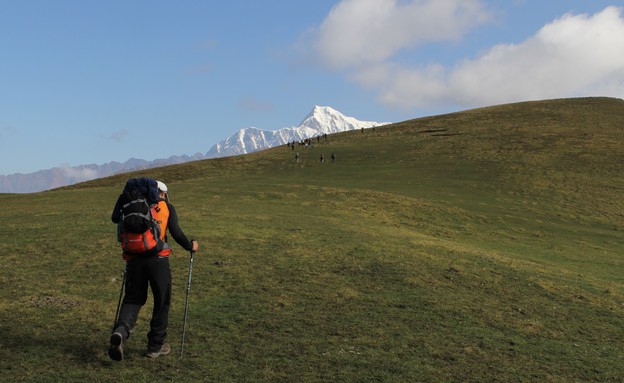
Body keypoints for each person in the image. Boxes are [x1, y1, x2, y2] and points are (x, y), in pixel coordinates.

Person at [108, 180, 199, 361]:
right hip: (158, 260)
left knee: (133, 299)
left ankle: (120, 332)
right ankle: (155, 346)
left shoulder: (133, 204)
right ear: (163, 193)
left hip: (134, 259)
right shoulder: (166, 207)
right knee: (161, 301)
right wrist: (191, 246)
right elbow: (176, 232)